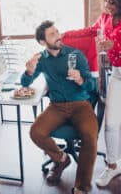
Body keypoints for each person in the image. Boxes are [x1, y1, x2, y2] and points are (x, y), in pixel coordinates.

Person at [22, 20, 98, 194]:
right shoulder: (41, 59)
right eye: (52, 34)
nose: (58, 36)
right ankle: (61, 159)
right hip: (56, 106)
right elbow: (25, 83)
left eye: (57, 32)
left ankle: (81, 187)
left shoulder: (75, 55)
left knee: (90, 136)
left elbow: (92, 85)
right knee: (36, 131)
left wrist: (81, 79)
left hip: (81, 104)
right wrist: (28, 71)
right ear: (43, 42)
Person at [63, 0, 121, 187]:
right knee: (111, 123)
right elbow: (90, 31)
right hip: (117, 74)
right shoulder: (105, 18)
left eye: (113, 1)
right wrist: (64, 35)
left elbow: (115, 45)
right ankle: (113, 165)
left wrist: (113, 46)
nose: (108, 5)